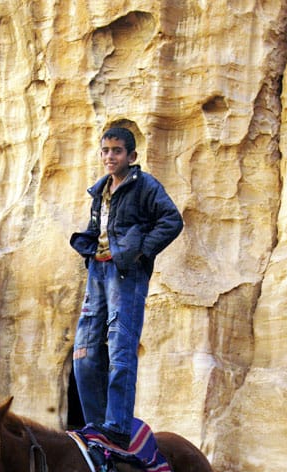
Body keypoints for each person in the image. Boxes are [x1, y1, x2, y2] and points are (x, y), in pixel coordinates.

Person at [70, 126, 183, 449]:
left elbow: (171, 220)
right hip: (98, 269)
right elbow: (101, 229)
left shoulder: (144, 185)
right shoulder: (100, 190)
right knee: (85, 350)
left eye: (116, 151)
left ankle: (117, 426)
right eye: (105, 151)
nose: (110, 156)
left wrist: (142, 252)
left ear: (131, 156)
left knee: (121, 348)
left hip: (125, 274)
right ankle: (96, 426)